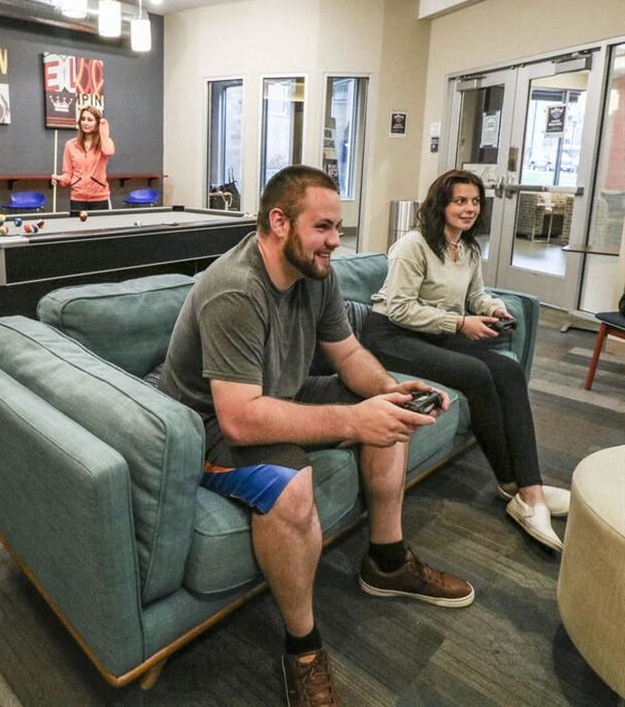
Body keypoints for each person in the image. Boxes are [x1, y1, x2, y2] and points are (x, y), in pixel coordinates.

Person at [158, 164, 474, 707]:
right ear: (279, 222)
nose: (335, 241)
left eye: (338, 227)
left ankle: (387, 560)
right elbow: (238, 418)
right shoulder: (235, 289)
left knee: (387, 411)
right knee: (294, 489)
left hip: (279, 392)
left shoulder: (317, 275)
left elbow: (348, 355)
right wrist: (352, 421)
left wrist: (388, 391)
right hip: (208, 422)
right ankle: (303, 646)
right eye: (324, 227)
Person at [362, 169, 570, 552]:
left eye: (475, 201)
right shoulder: (413, 246)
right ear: (441, 204)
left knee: (506, 368)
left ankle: (531, 488)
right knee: (476, 372)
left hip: (435, 332)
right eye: (460, 201)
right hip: (391, 334)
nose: (469, 208)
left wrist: (494, 308)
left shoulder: (469, 249)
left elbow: (476, 295)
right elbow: (399, 308)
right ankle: (512, 485)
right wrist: (459, 323)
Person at [51, 106, 115, 210]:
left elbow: (109, 151)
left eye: (90, 120)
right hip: (77, 199)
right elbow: (67, 174)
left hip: (100, 198)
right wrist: (60, 179)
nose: (85, 123)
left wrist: (103, 128)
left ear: (97, 123)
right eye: (83, 119)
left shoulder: (104, 143)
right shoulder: (70, 145)